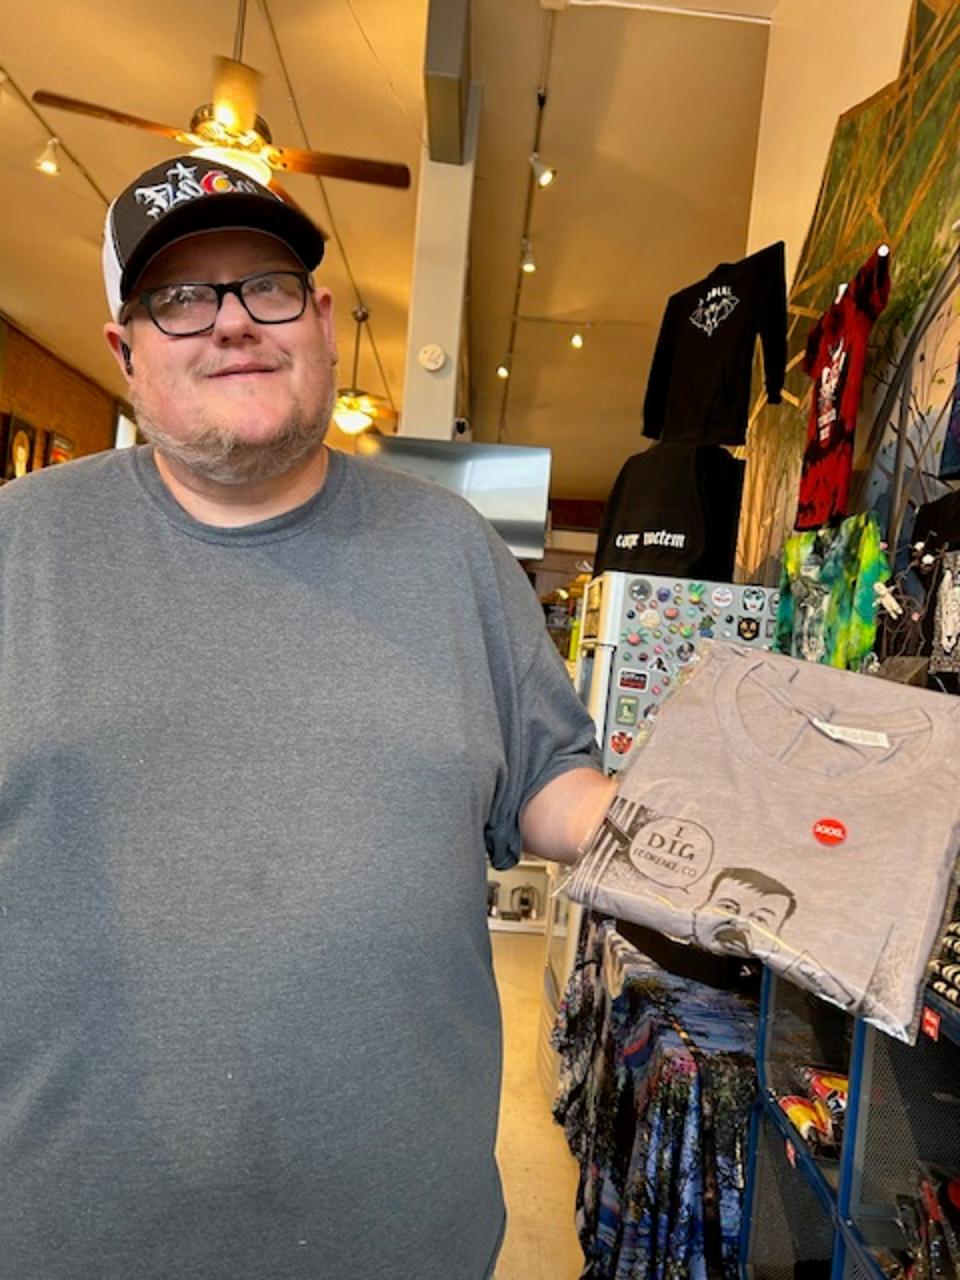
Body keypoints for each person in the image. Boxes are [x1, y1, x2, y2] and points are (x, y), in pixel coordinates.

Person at [0, 155, 615, 1280]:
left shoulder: (454, 553)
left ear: (322, 319)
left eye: (265, 286)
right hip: (64, 1233)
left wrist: (727, 845)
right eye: (181, 297)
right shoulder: (17, 548)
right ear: (124, 347)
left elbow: (554, 783)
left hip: (397, 1240)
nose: (231, 323)